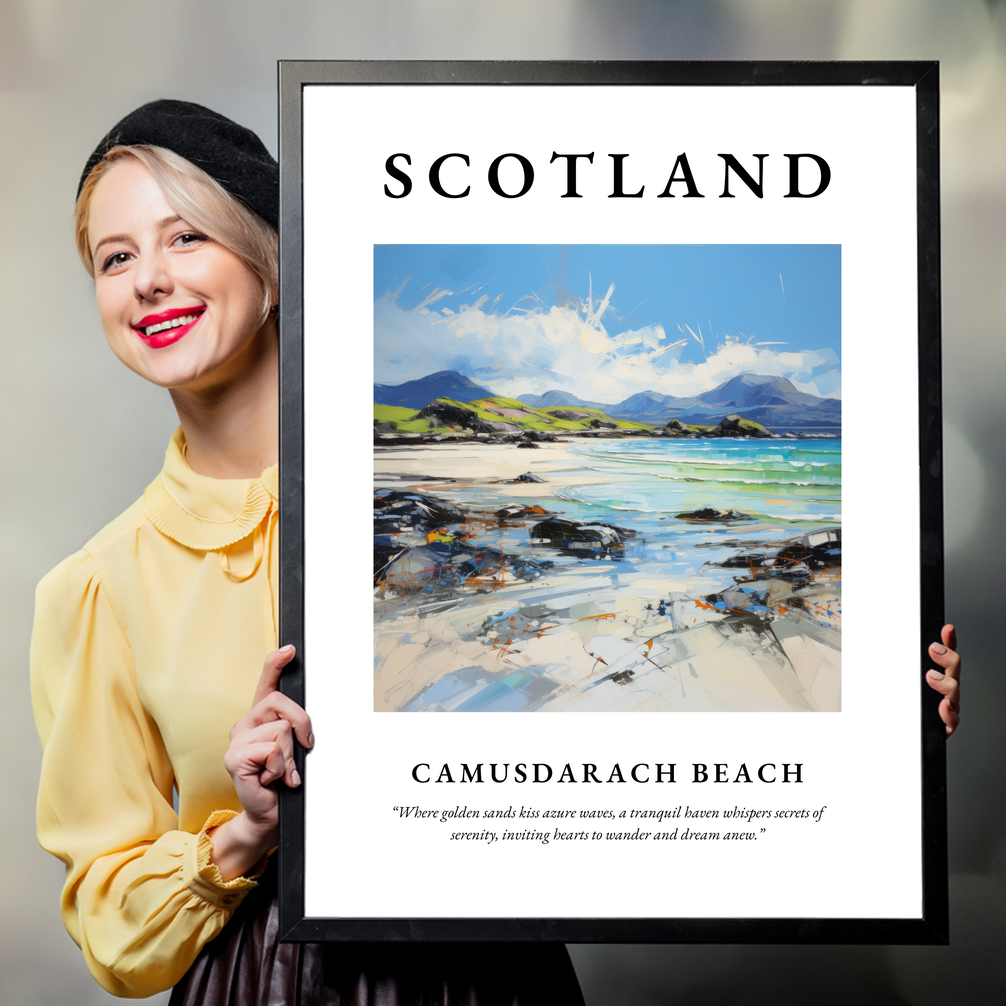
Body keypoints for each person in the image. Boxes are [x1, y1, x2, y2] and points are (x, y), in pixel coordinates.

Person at [30, 100, 585, 1004]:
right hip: (264, 981)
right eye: (116, 257)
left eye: (185, 239)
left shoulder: (443, 507)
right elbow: (110, 924)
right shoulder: (97, 587)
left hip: (494, 973)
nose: (148, 281)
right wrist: (245, 832)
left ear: (273, 264)